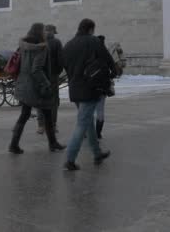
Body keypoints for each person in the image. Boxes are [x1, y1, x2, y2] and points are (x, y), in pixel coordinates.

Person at [63, 19, 115, 171]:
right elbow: (108, 59)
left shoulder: (69, 44)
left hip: (75, 89)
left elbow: (65, 65)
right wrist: (114, 71)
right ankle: (70, 160)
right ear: (91, 29)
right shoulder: (93, 41)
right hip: (90, 89)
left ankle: (97, 153)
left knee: (88, 122)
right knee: (82, 124)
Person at [9, 23, 65, 154]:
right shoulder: (41, 48)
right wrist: (47, 84)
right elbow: (36, 70)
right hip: (37, 88)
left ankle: (14, 144)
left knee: (25, 115)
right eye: (43, 31)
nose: (46, 33)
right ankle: (53, 143)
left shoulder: (23, 47)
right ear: (40, 33)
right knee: (47, 114)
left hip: (24, 86)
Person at [36, 24, 64, 134]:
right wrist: (57, 72)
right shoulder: (57, 43)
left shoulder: (38, 42)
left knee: (41, 100)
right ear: (53, 31)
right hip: (52, 76)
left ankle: (41, 125)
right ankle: (52, 125)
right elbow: (61, 60)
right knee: (53, 101)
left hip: (39, 76)